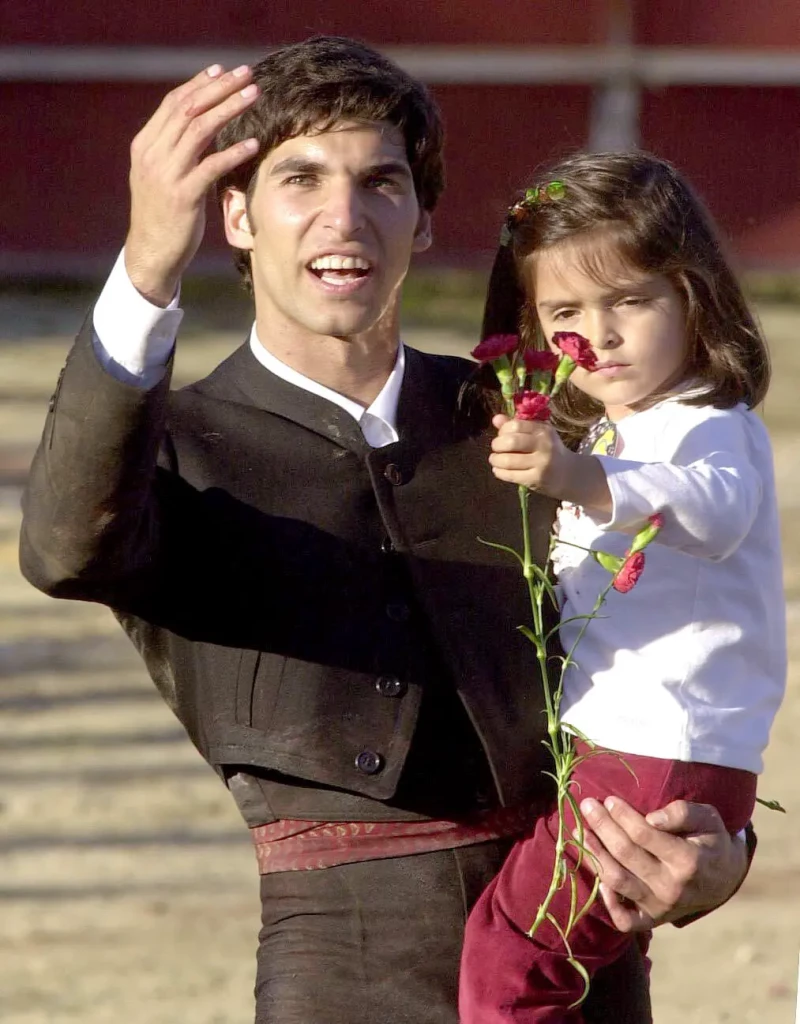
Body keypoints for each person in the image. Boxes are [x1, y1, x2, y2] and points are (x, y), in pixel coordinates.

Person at [19, 38, 751, 1024]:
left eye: (380, 181)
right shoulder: (171, 448)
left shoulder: (537, 421)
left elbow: (692, 635)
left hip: (575, 949)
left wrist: (717, 855)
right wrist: (146, 266)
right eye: (299, 177)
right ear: (231, 214)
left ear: (420, 217)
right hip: (343, 967)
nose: (344, 215)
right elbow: (65, 546)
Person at [458, 151, 786, 1022]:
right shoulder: (614, 434)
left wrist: (579, 481)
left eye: (628, 301)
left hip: (657, 750)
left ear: (694, 297)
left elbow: (715, 512)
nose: (595, 337)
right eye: (565, 312)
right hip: (631, 751)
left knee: (510, 966)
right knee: (557, 967)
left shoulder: (709, 424)